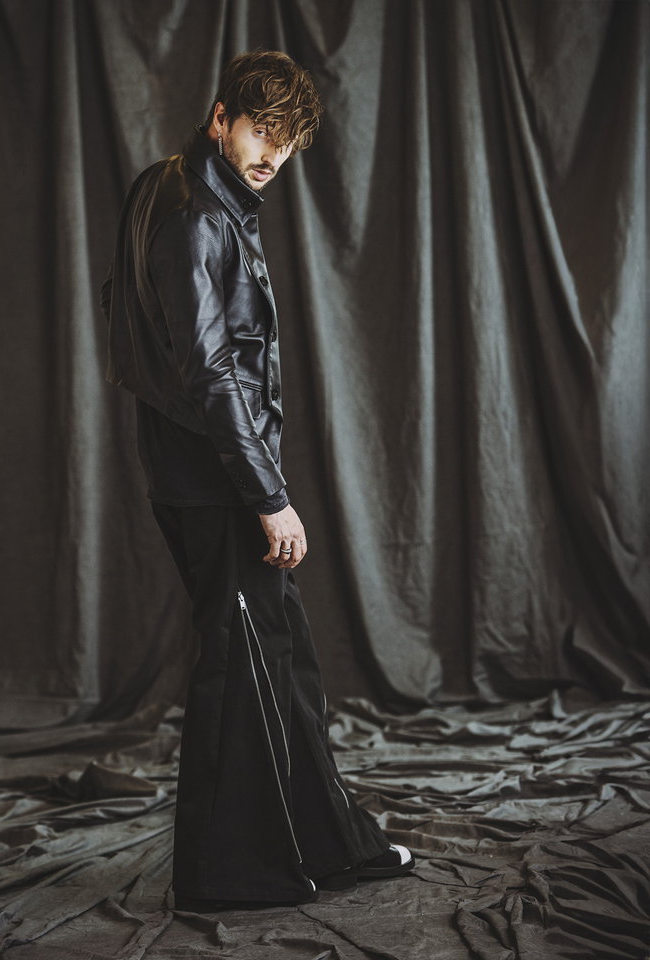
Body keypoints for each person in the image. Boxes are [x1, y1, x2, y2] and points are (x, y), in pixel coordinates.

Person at [100, 50, 413, 910]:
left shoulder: (173, 186)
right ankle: (224, 878)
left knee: (278, 664)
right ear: (220, 118)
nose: (273, 152)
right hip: (217, 485)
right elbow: (208, 371)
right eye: (260, 130)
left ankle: (332, 844)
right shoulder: (197, 215)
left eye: (287, 137)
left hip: (203, 474)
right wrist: (269, 497)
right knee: (240, 673)